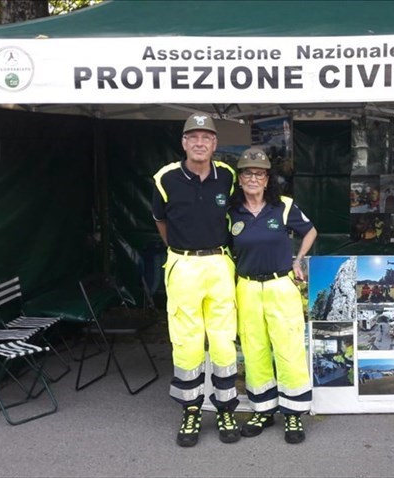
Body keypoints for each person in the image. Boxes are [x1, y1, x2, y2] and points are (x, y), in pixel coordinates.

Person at [152, 113, 240, 447]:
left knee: (223, 339)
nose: (199, 143)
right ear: (184, 143)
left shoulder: (227, 175)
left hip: (219, 262)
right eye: (193, 137)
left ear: (215, 143)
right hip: (183, 264)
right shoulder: (165, 178)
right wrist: (181, 250)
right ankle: (191, 410)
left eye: (206, 137)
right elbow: (161, 221)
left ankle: (225, 409)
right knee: (186, 340)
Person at [228, 147, 317, 444]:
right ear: (240, 179)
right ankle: (263, 410)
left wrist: (298, 259)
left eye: (259, 174)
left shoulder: (284, 206)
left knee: (289, 347)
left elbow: (311, 231)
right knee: (254, 350)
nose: (253, 178)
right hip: (247, 287)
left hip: (280, 286)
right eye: (247, 173)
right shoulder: (231, 212)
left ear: (267, 179)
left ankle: (292, 413)